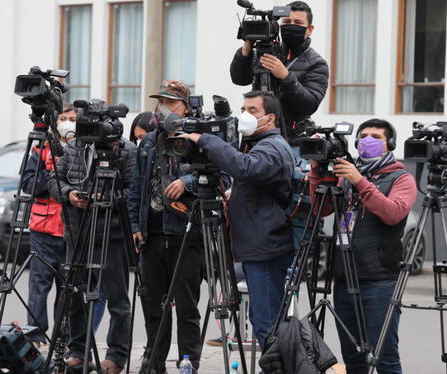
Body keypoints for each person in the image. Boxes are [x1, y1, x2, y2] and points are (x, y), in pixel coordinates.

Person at [179, 90, 295, 349]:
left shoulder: (272, 147)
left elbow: (245, 168)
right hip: (258, 246)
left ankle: (277, 368)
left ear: (271, 118)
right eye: (244, 109)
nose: (245, 115)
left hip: (265, 250)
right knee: (261, 319)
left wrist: (206, 140)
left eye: (253, 110)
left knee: (267, 324)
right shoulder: (259, 145)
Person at [308, 119, 417, 374]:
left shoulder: (400, 178)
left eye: (376, 136)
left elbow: (393, 213)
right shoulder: (347, 174)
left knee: (384, 355)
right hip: (345, 276)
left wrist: (360, 182)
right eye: (363, 135)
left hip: (379, 279)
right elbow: (320, 210)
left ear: (389, 145)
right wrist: (317, 172)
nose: (367, 140)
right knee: (353, 356)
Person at [48, 100, 136, 374]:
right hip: (78, 231)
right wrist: (70, 195)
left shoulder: (125, 149)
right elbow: (54, 181)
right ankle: (78, 351)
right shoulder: (73, 147)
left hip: (112, 234)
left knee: (118, 300)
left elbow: (134, 191)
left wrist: (108, 198)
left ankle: (116, 356)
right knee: (74, 294)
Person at [127, 80, 206, 374]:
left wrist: (186, 182)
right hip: (152, 235)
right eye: (161, 102)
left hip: (186, 235)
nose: (164, 108)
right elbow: (137, 187)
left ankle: (188, 361)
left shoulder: (200, 137)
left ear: (185, 107)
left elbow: (219, 177)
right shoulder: (148, 142)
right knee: (153, 305)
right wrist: (136, 224)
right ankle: (155, 360)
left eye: (171, 102)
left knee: (186, 305)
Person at [230, 0, 328, 141]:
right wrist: (246, 51)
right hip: (257, 136)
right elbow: (239, 79)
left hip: (292, 140)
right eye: (287, 21)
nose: (291, 25)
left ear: (309, 29)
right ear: (279, 25)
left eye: (298, 23)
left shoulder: (317, 63)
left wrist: (286, 76)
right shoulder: (266, 52)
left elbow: (309, 105)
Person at [21, 103, 76, 346]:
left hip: (72, 228)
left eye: (72, 118)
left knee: (68, 288)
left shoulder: (83, 148)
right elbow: (28, 183)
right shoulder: (41, 148)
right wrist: (54, 175)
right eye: (63, 118)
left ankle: (62, 337)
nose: (68, 123)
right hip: (42, 228)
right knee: (38, 286)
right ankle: (34, 333)